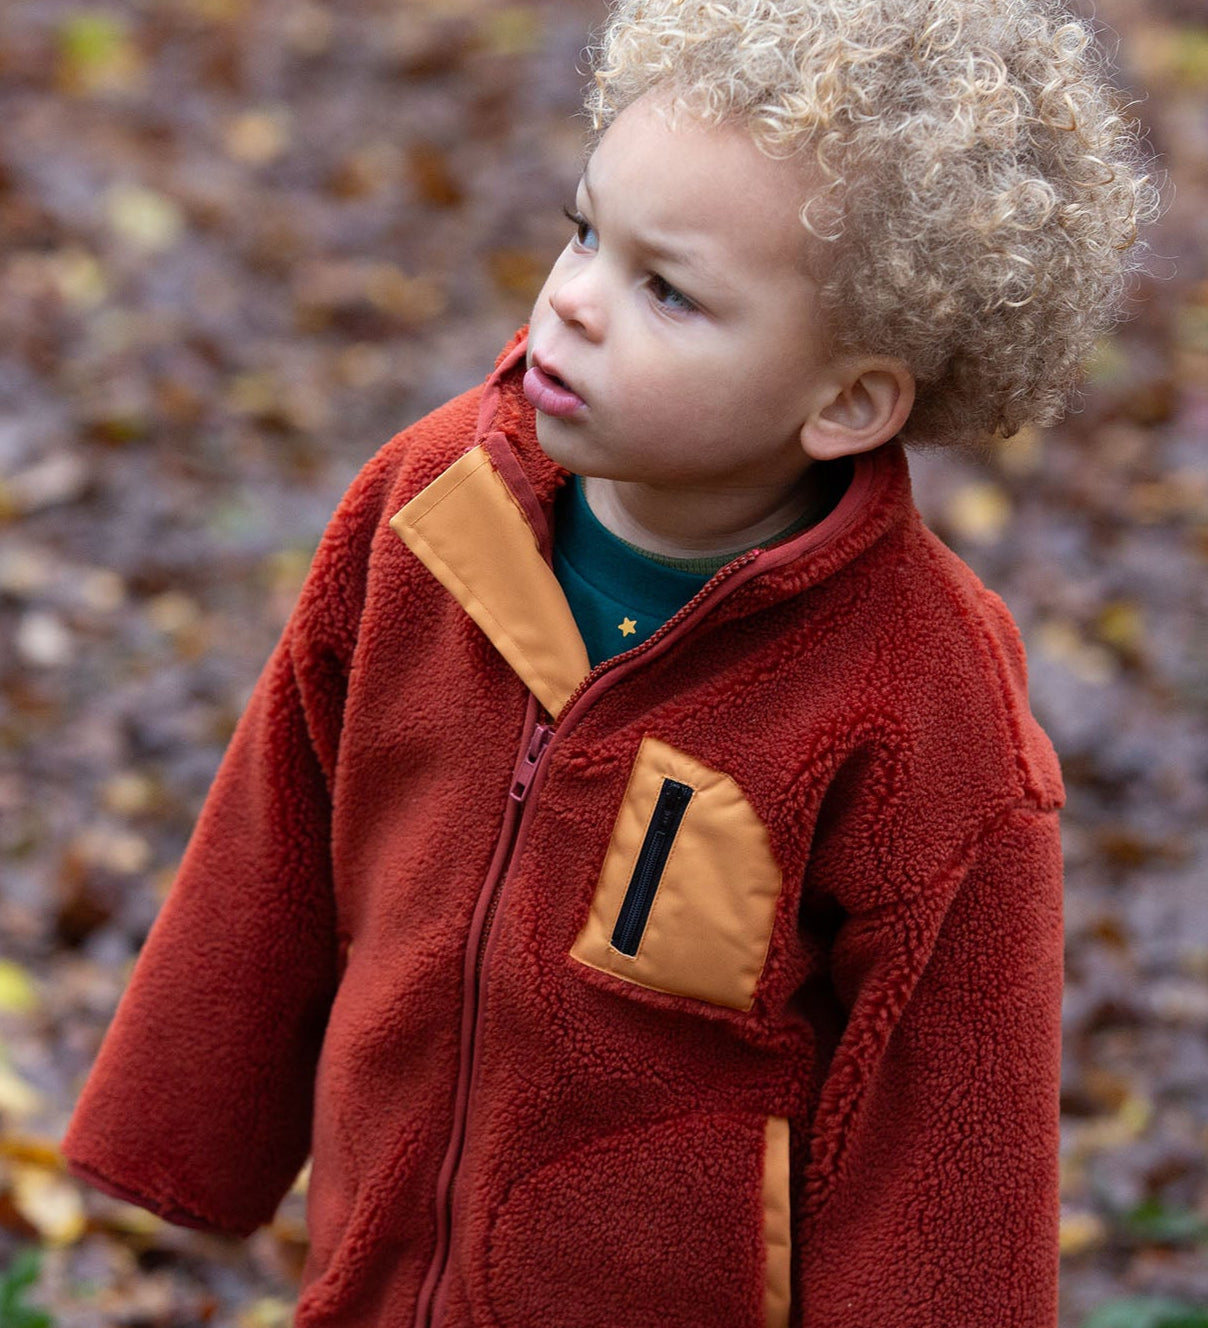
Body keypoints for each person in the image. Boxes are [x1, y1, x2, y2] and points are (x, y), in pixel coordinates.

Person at [61, 1, 1157, 1324]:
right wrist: (189, 1126)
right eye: (587, 232)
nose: (575, 301)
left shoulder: (918, 703)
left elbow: (947, 1126)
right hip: (375, 1268)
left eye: (667, 289)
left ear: (847, 400)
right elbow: (277, 825)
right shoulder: (434, 508)